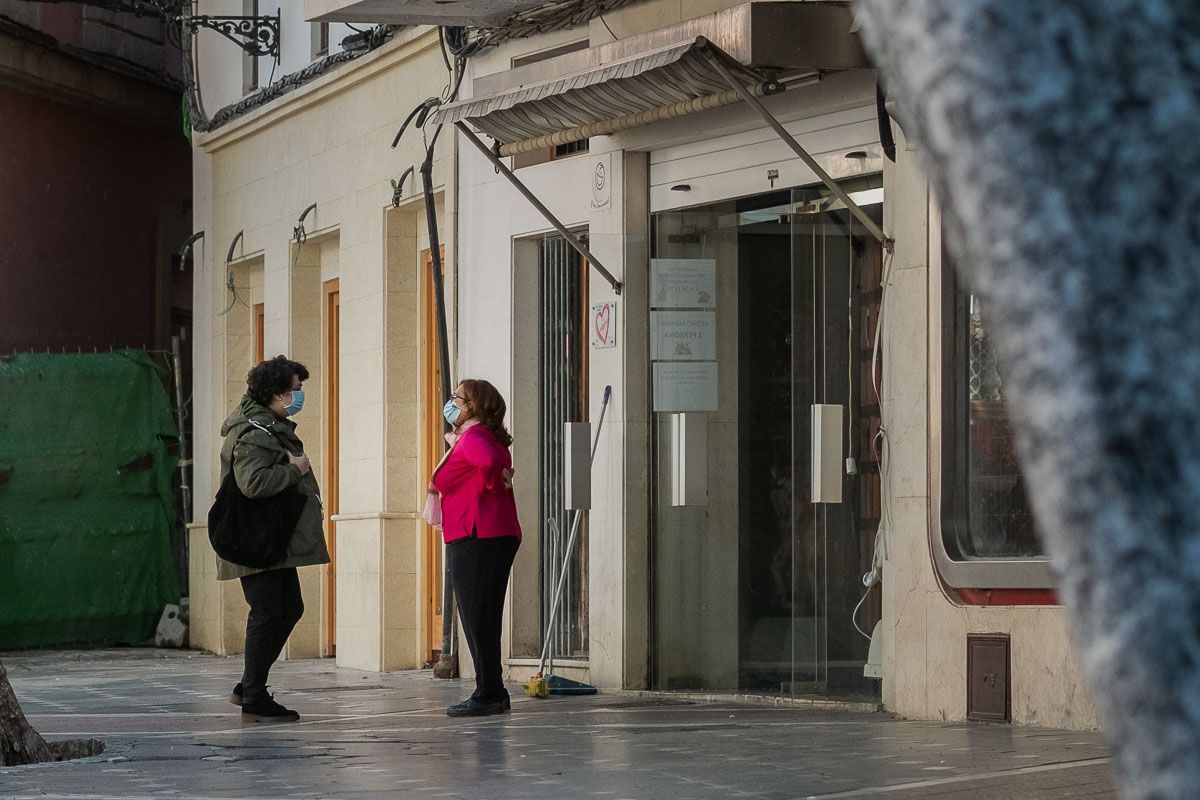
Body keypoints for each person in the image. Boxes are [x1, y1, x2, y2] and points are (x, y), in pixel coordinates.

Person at [216, 355, 330, 723]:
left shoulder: (265, 425)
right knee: (269, 612)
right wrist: (293, 471)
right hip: (256, 540)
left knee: (287, 608)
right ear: (278, 394)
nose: (300, 396)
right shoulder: (254, 433)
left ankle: (249, 685)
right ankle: (253, 697)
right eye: (296, 390)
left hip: (270, 541)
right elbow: (252, 483)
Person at [430, 378, 522, 717]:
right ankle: (490, 690)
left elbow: (487, 465)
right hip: (489, 533)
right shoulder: (485, 436)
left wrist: (491, 480)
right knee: (483, 616)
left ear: (474, 406)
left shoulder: (474, 438)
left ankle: (489, 693)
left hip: (477, 534)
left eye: (458, 398)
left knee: (477, 616)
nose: (451, 402)